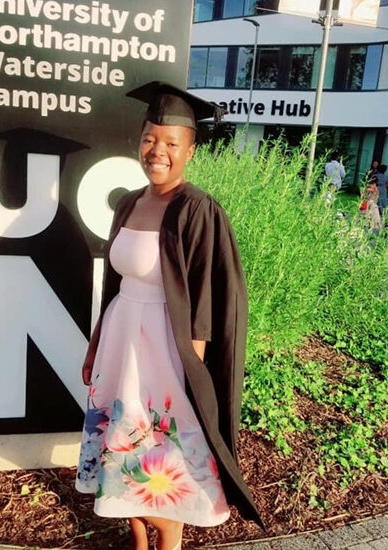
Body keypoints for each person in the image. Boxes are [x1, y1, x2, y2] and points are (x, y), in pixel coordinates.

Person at [75, 81, 263, 550]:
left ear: (190, 150)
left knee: (161, 452)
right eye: (149, 139)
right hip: (122, 341)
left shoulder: (198, 210)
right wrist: (96, 346)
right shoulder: (128, 203)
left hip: (164, 350)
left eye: (171, 143)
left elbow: (204, 299)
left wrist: (188, 371)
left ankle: (169, 543)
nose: (157, 151)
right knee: (122, 446)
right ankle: (139, 541)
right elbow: (115, 286)